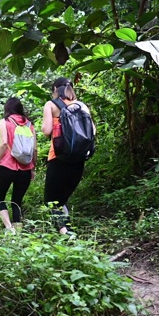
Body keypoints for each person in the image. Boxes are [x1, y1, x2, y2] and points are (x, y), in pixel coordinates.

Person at [41, 77, 95, 234]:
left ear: (55, 90)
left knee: (51, 200)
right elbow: (92, 131)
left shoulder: (51, 105)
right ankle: (67, 229)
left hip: (58, 157)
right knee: (62, 198)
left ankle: (65, 232)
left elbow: (46, 130)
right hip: (78, 158)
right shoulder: (82, 106)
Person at [0, 97, 37, 233]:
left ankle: (9, 228)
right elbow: (34, 149)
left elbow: (4, 143)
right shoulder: (29, 124)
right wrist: (32, 168)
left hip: (7, 166)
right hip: (25, 169)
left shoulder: (5, 122)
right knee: (17, 200)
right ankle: (18, 230)